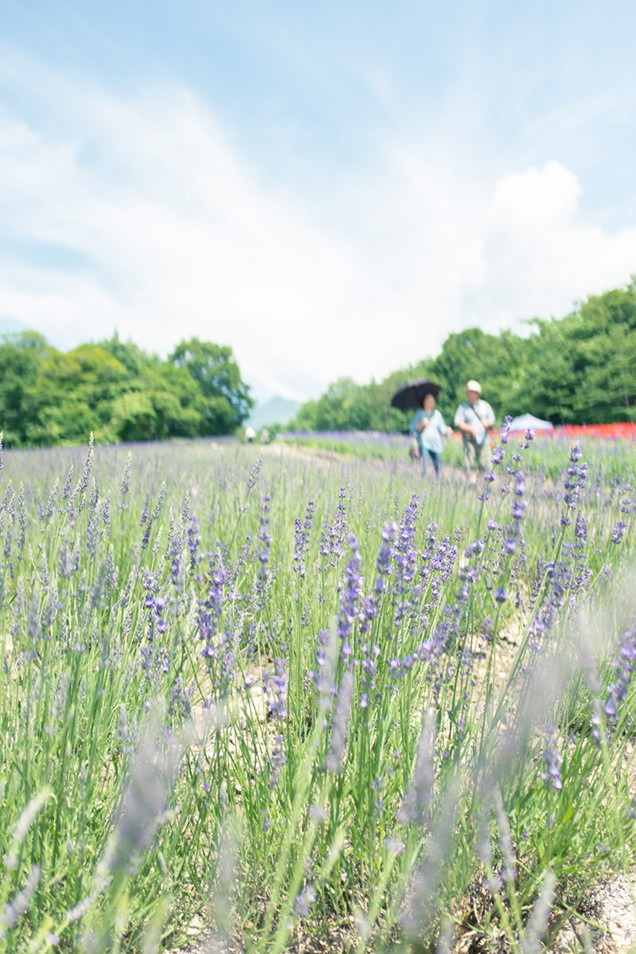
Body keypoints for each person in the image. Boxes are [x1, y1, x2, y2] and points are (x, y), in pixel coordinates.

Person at [454, 380, 495, 477]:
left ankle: (484, 483)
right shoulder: (463, 407)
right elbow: (458, 422)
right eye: (468, 392)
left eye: (471, 392)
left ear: (477, 393)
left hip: (484, 439)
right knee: (468, 462)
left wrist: (487, 422)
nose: (469, 395)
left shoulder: (485, 406)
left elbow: (492, 419)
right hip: (469, 439)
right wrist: (469, 428)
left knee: (485, 463)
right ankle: (469, 482)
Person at [409, 393, 452, 475]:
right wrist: (421, 424)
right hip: (424, 443)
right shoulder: (419, 414)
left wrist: (447, 430)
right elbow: (412, 427)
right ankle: (423, 481)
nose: (431, 402)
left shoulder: (437, 414)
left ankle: (438, 483)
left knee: (438, 467)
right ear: (424, 402)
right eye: (428, 401)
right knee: (424, 466)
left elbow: (441, 429)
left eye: (432, 401)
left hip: (436, 443)